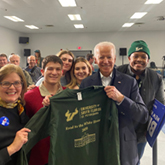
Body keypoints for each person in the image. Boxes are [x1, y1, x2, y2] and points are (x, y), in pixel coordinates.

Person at [80, 41, 149, 165]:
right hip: (96, 144)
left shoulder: (129, 82)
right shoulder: (86, 83)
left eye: (109, 57)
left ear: (115, 58)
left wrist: (122, 99)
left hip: (123, 145)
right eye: (101, 57)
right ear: (95, 60)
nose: (106, 61)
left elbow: (143, 115)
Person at [117, 40, 165, 164]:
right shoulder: (118, 73)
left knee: (135, 160)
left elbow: (160, 105)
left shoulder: (156, 78)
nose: (139, 59)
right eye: (136, 56)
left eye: (143, 57)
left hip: (141, 129)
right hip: (120, 127)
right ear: (129, 57)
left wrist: (151, 128)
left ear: (148, 60)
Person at [24, 55, 66, 165]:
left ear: (62, 72)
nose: (54, 72)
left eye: (58, 69)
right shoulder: (29, 97)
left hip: (63, 155)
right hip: (39, 157)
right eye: (50, 69)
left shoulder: (68, 95)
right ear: (42, 71)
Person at [0, 64, 30, 165]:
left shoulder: (21, 107)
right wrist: (12, 148)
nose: (12, 87)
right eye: (6, 83)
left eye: (17, 83)